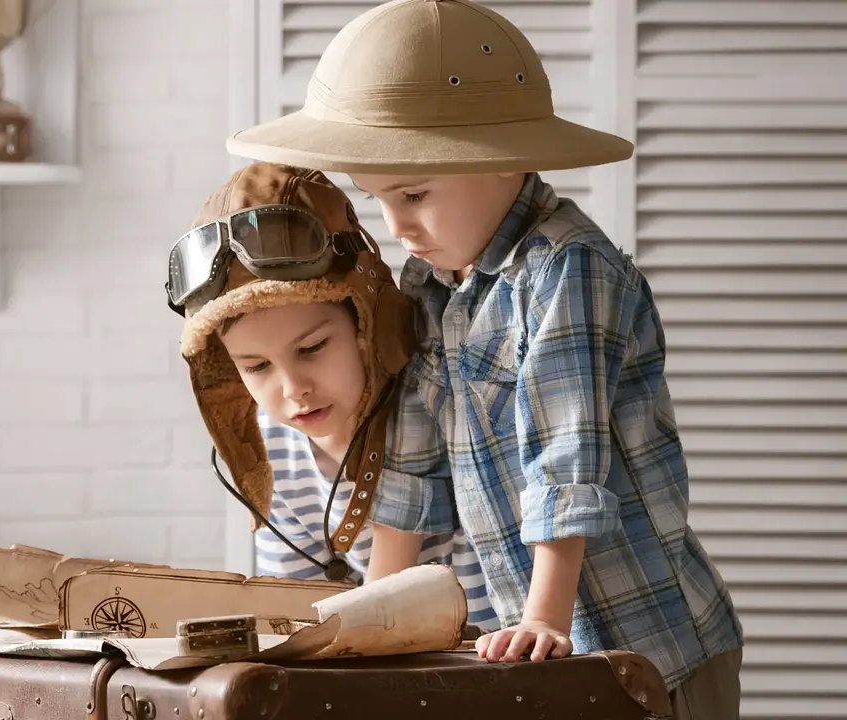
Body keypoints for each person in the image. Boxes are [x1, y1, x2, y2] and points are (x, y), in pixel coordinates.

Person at [221, 1, 744, 718]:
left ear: (504, 161)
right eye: (379, 201)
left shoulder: (567, 269)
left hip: (650, 643)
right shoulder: (431, 284)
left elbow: (568, 458)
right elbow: (413, 463)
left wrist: (546, 618)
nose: (398, 228)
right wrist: (370, 627)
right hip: (539, 646)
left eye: (414, 195)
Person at [167, 160, 498, 632]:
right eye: (256, 366)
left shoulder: (437, 399)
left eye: (313, 348)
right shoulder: (273, 449)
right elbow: (293, 614)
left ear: (368, 324)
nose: (293, 388)